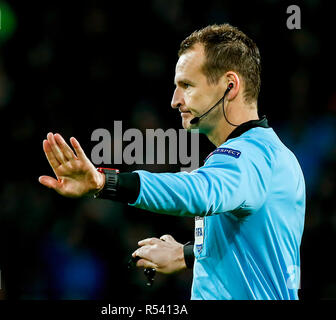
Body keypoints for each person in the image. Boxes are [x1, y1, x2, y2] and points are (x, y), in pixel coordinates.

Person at [38, 24, 305, 300]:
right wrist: (188, 254)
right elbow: (256, 247)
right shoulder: (272, 153)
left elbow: (198, 192)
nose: (174, 101)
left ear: (230, 86)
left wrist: (104, 182)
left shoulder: (248, 157)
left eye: (186, 85)